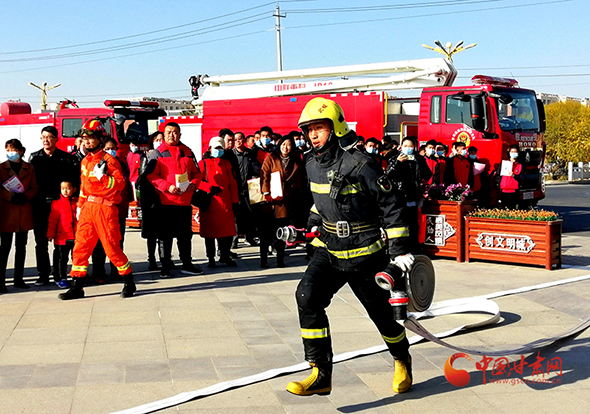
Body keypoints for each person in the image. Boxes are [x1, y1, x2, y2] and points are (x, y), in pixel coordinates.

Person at [286, 97, 413, 396]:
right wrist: (310, 224)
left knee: (382, 317)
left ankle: (401, 359)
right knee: (307, 296)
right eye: (309, 129)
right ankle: (320, 372)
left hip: (364, 254)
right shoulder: (310, 163)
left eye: (319, 128)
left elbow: (392, 205)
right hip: (329, 250)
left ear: (336, 127)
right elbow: (321, 202)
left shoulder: (361, 163)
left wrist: (399, 252)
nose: (313, 135)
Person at [59, 119, 136, 300]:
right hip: (87, 209)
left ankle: (129, 282)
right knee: (81, 247)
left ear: (100, 139)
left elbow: (119, 184)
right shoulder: (85, 161)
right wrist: (79, 207)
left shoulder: (109, 161)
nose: (86, 141)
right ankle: (77, 286)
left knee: (112, 248)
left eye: (90, 138)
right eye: (84, 138)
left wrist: (103, 178)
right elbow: (84, 187)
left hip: (105, 208)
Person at [147, 122, 203, 278]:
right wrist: (167, 186)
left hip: (184, 201)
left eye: (175, 132)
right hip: (165, 202)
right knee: (165, 236)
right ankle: (165, 266)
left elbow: (197, 174)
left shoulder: (188, 152)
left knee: (185, 235)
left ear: (180, 134)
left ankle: (187, 263)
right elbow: (151, 175)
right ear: (164, 135)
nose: (172, 135)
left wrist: (194, 184)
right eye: (169, 132)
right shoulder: (158, 153)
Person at [28, 126, 79, 286]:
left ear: (56, 139)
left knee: (62, 244)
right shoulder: (34, 158)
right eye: (43, 137)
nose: (46, 140)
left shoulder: (65, 159)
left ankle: (61, 274)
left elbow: (73, 181)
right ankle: (43, 274)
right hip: (40, 205)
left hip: (61, 206)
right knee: (41, 242)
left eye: (49, 137)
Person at [91, 137, 133, 282]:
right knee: (99, 243)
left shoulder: (121, 164)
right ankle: (99, 272)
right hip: (102, 209)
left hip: (119, 209)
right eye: (108, 149)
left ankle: (117, 271)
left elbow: (125, 185)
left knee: (117, 242)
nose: (111, 151)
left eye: (113, 148)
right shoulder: (97, 165)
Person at [260, 135, 304, 268]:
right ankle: (263, 259)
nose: (286, 147)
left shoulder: (295, 161)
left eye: (289, 145)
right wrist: (266, 192)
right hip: (269, 200)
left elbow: (298, 180)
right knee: (266, 232)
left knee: (282, 231)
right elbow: (264, 174)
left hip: (284, 201)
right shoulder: (271, 157)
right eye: (283, 144)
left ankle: (280, 259)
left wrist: (291, 189)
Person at [0, 139, 39, 293]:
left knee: (21, 247)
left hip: (23, 210)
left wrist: (26, 196)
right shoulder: (1, 168)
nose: (11, 153)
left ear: (21, 151)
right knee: (4, 248)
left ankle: (19, 278)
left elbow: (35, 187)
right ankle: (1, 281)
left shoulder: (29, 168)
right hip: (7, 212)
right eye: (8, 150)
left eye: (13, 150)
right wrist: (10, 196)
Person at [198, 137, 239, 267]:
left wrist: (235, 200)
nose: (218, 151)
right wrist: (209, 188)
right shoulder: (202, 163)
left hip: (226, 203)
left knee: (227, 232)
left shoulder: (227, 164)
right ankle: (210, 258)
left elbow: (233, 183)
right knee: (209, 233)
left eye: (220, 148)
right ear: (210, 148)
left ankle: (225, 255)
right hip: (210, 203)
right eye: (216, 148)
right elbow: (197, 181)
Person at [386, 136, 431, 253]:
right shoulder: (395, 158)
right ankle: (400, 250)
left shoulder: (417, 159)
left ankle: (414, 248)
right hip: (400, 197)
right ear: (401, 147)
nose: (408, 148)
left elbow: (427, 174)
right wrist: (398, 163)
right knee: (401, 225)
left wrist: (421, 160)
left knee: (413, 225)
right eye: (405, 146)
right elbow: (388, 175)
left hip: (413, 197)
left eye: (410, 146)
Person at [138, 131, 164, 270]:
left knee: (161, 233)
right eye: (157, 139)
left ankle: (162, 259)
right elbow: (142, 178)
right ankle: (152, 259)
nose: (159, 141)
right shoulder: (148, 156)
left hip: (162, 199)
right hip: (150, 200)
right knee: (152, 233)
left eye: (161, 139)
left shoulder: (166, 155)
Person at [47, 181, 78, 289]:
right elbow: (52, 220)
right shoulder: (57, 203)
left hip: (76, 236)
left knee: (77, 257)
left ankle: (77, 276)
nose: (65, 191)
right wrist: (50, 234)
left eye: (68, 188)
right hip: (62, 237)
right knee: (61, 258)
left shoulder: (78, 202)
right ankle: (60, 277)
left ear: (74, 189)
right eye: (63, 188)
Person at [232, 132, 257, 247]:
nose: (238, 141)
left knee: (250, 215)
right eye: (235, 139)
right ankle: (234, 239)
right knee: (236, 216)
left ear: (244, 140)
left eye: (240, 139)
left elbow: (256, 168)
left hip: (249, 189)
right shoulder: (231, 154)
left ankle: (250, 237)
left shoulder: (250, 153)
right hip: (235, 189)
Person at [498, 145, 522, 209]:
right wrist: (498, 185)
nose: (513, 153)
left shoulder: (520, 165)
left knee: (513, 210)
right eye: (512, 152)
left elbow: (523, 178)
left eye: (515, 152)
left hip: (514, 192)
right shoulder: (504, 164)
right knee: (503, 210)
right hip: (503, 191)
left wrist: (514, 176)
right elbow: (498, 175)